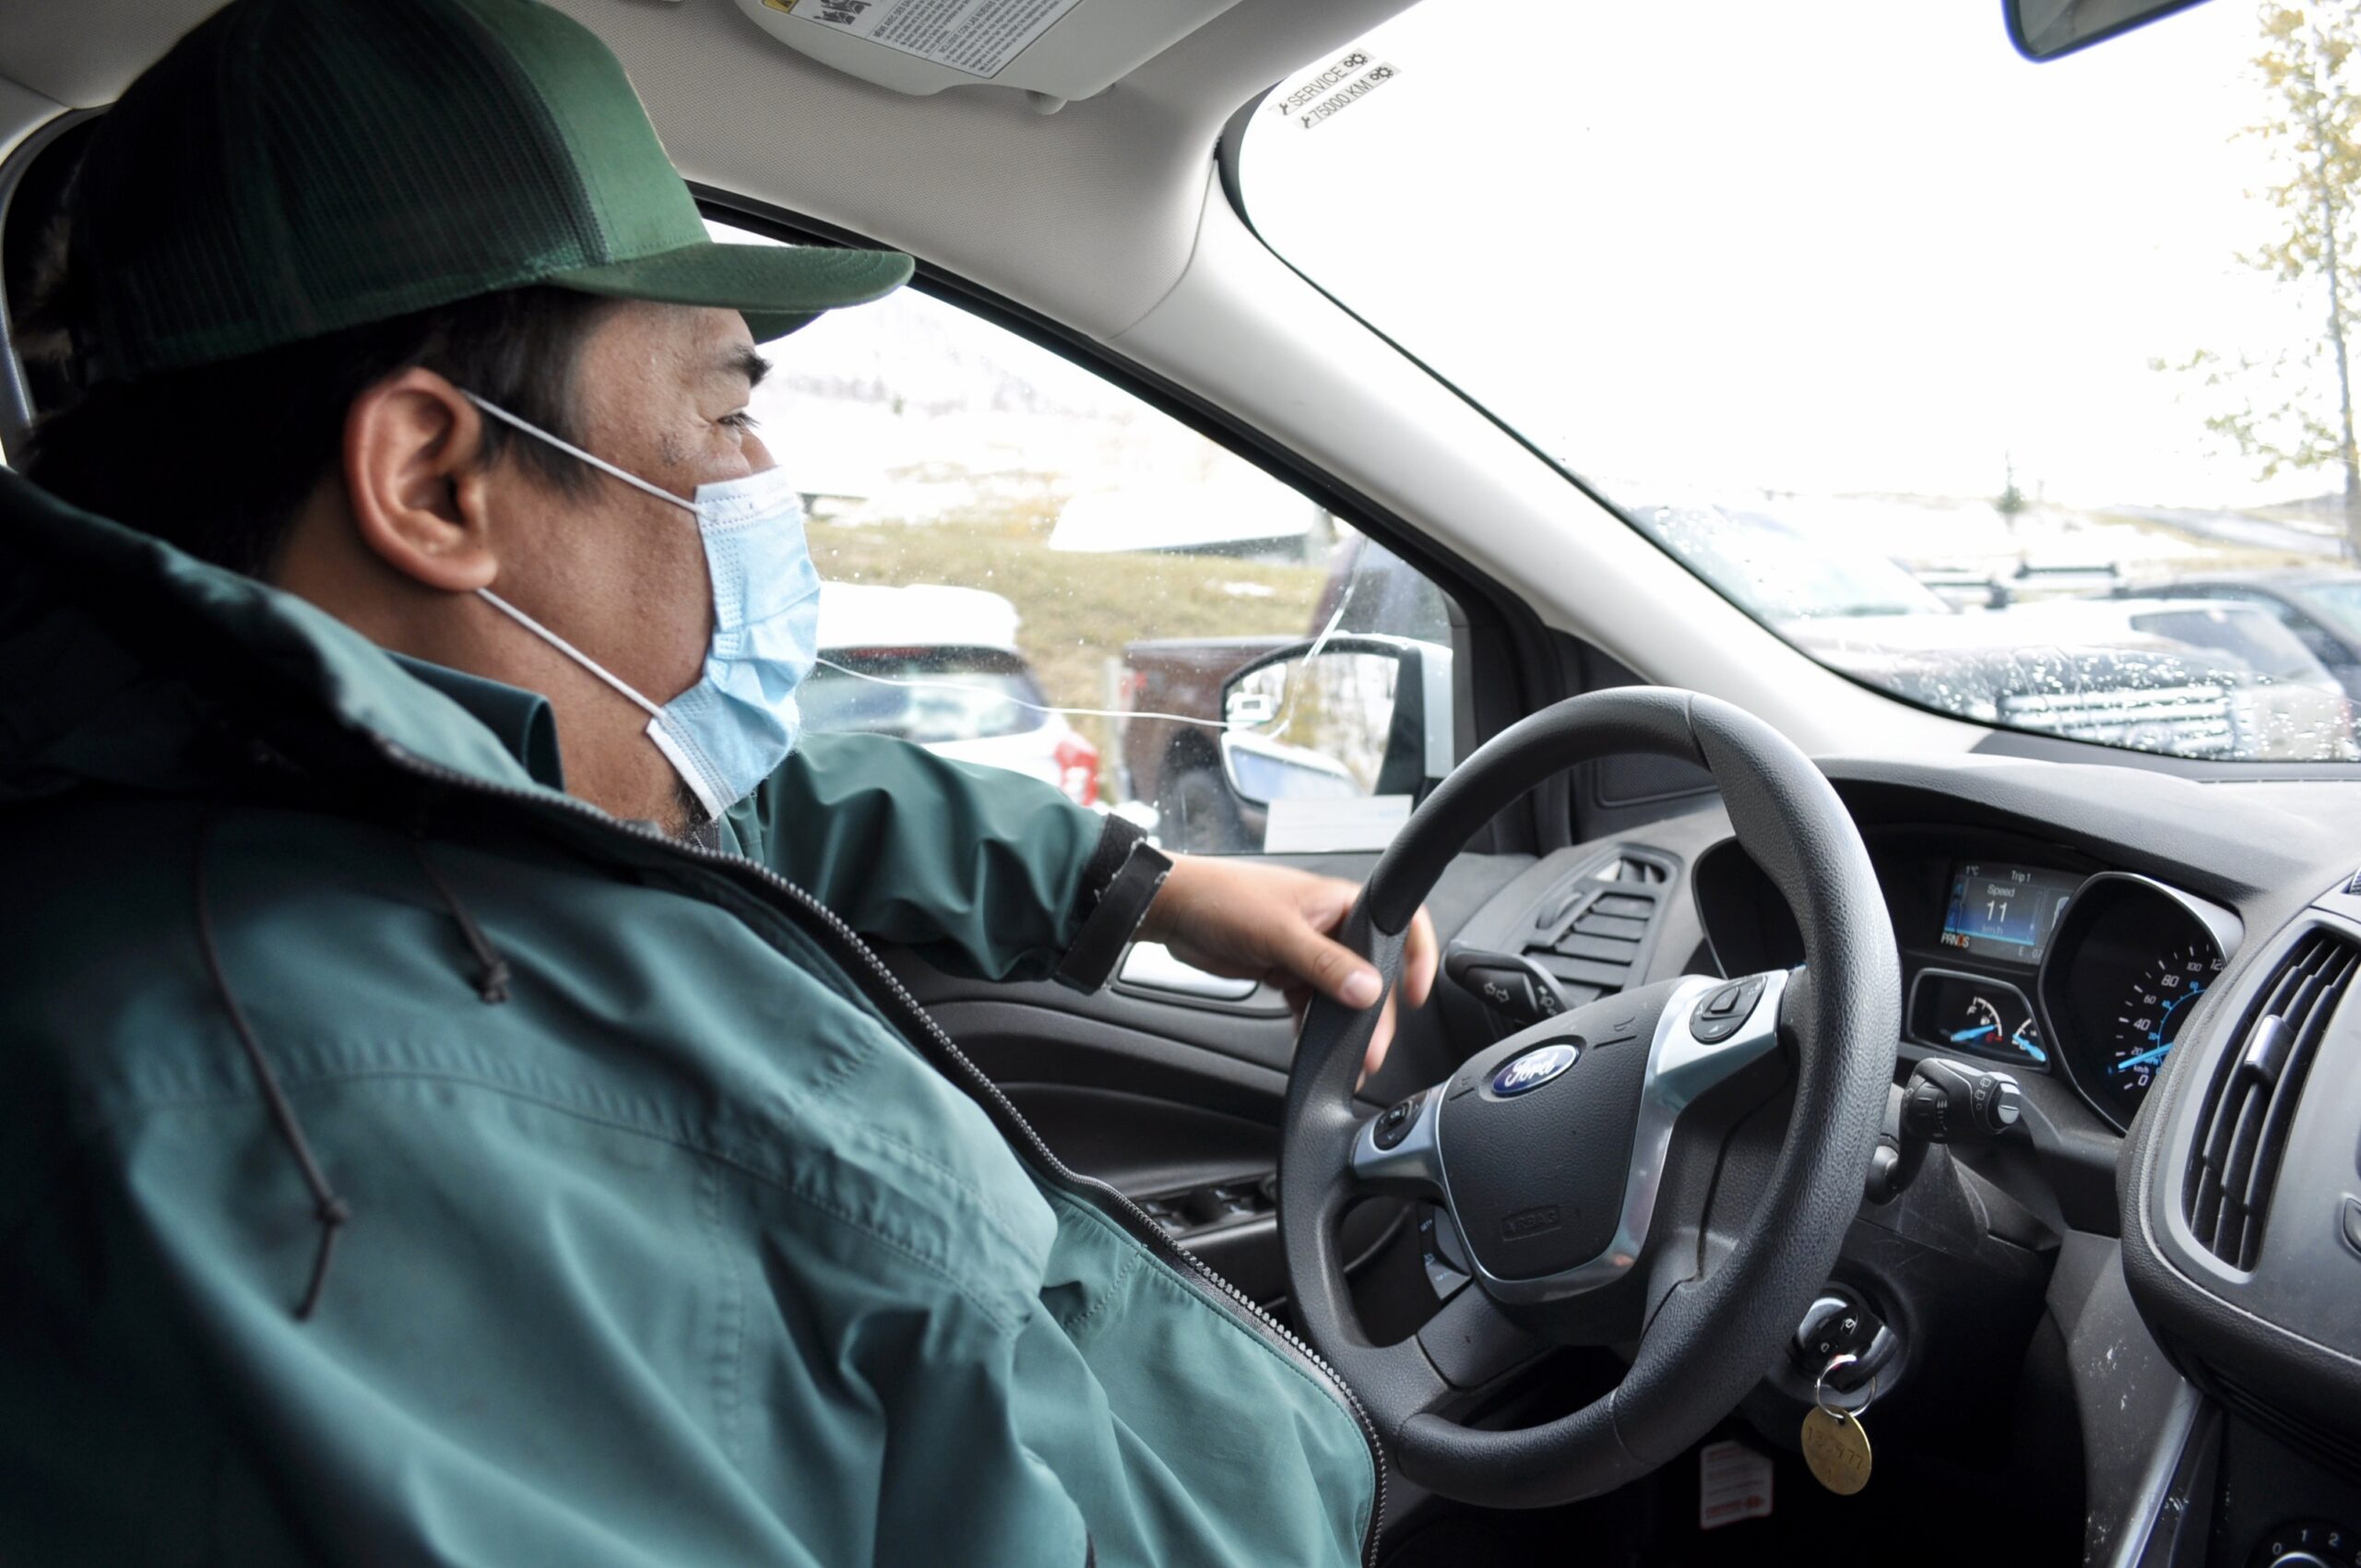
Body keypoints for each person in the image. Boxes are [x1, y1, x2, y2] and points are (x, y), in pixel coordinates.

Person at [0, 0, 1439, 1561]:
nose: (763, 491)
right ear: (434, 480)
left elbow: (746, 811)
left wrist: (1137, 887)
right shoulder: (319, 1139)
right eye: (727, 413)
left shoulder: (353, 798)